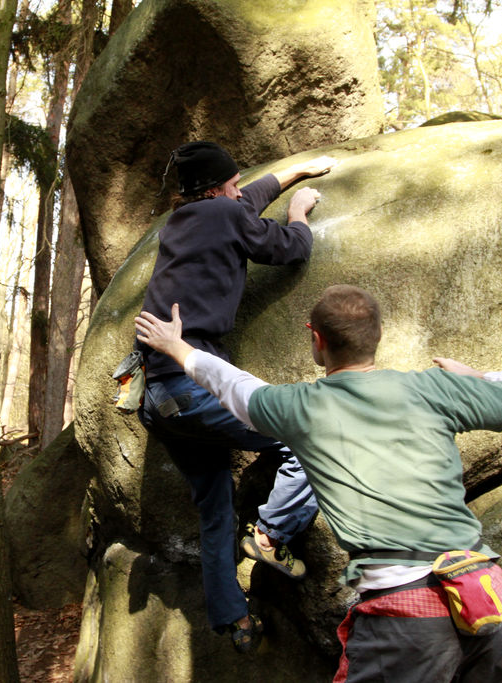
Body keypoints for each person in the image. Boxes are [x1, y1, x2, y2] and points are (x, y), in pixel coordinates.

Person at [134, 285, 502, 681]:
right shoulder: (435, 389)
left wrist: (178, 349)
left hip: (406, 614)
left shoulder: (301, 407)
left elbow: (235, 387)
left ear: (317, 339)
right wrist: (480, 379)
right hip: (486, 595)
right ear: (378, 334)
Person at [136, 140, 336, 651]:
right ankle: (272, 533)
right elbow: (289, 250)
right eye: (232, 183)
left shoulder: (183, 221)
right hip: (190, 383)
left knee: (214, 508)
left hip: (158, 397)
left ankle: (232, 621)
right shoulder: (224, 214)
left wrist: (294, 172)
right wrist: (297, 214)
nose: (239, 189)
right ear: (215, 190)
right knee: (307, 433)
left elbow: (245, 201)